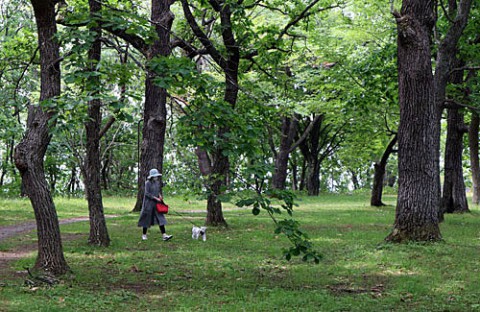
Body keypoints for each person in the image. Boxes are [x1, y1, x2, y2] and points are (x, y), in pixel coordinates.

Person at [137, 168, 173, 241]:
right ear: (152, 176)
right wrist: (155, 198)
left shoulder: (157, 183)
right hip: (148, 204)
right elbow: (147, 193)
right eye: (155, 176)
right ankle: (144, 235)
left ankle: (164, 235)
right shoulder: (147, 183)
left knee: (161, 218)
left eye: (157, 176)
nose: (156, 177)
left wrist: (159, 196)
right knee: (146, 219)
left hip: (157, 205)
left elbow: (158, 191)